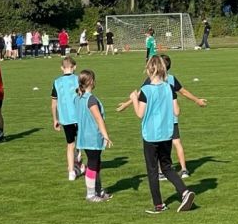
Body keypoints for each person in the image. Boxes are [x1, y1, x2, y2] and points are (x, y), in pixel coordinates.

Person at [119, 55, 207, 178]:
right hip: (171, 119)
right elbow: (184, 92)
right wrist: (197, 100)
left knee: (158, 145)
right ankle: (184, 169)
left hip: (158, 121)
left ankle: (161, 172)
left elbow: (140, 94)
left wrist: (127, 104)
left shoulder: (150, 80)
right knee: (177, 143)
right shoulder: (171, 79)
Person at [128, 56, 196, 214]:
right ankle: (185, 192)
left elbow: (140, 113)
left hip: (151, 136)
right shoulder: (169, 88)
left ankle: (159, 205)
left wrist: (133, 100)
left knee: (152, 170)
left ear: (149, 70)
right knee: (167, 167)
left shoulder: (145, 91)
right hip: (167, 133)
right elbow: (176, 110)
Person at [75, 69, 113, 202]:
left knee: (97, 162)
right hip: (92, 137)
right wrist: (106, 136)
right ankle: (90, 194)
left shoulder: (79, 98)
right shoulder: (90, 99)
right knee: (92, 164)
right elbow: (98, 119)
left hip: (84, 136)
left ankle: (98, 190)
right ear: (91, 81)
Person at [51, 56, 84, 180]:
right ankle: (79, 159)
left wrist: (55, 119)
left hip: (65, 118)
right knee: (80, 141)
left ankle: (71, 172)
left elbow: (54, 103)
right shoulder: (78, 79)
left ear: (61, 68)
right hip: (79, 116)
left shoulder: (57, 82)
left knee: (70, 144)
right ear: (74, 67)